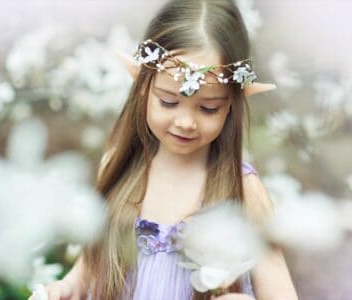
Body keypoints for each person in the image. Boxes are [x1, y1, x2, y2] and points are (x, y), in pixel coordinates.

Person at [41, 0, 298, 299]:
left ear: (231, 105)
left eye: (208, 108)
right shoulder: (120, 167)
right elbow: (92, 265)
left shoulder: (242, 190)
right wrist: (67, 287)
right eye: (168, 102)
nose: (186, 122)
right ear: (143, 88)